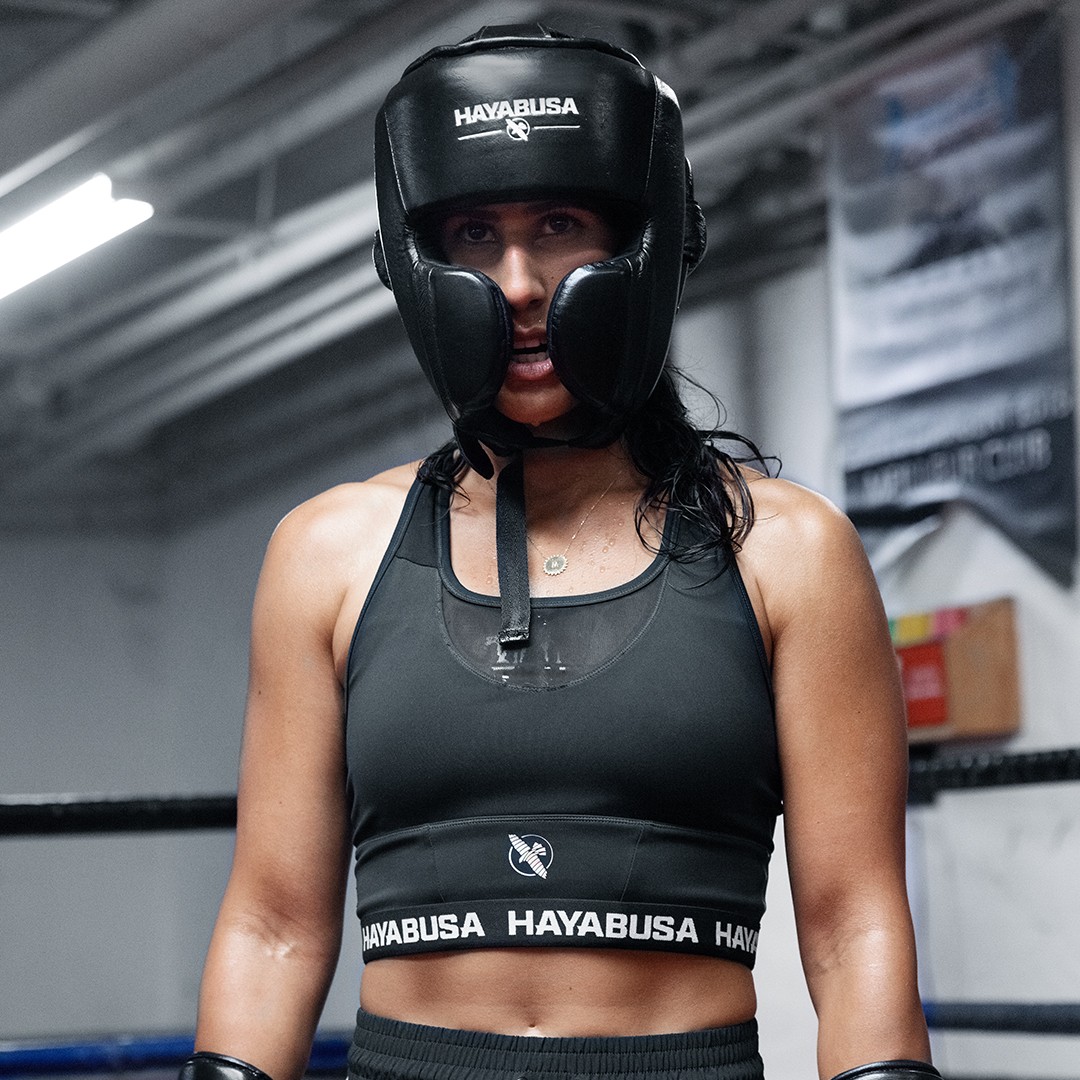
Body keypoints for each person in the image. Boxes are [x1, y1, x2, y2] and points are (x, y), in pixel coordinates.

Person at [180, 24, 938, 1080]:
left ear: (644, 243)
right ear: (416, 263)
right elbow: (273, 927)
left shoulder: (787, 555)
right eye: (474, 234)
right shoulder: (328, 554)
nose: (520, 283)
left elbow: (855, 927)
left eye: (560, 225)